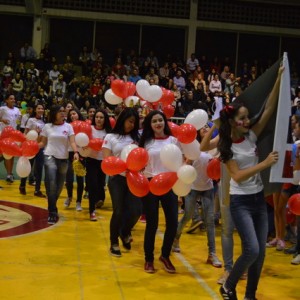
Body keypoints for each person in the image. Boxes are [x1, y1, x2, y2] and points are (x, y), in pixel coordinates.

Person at [218, 66, 283, 300]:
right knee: (252, 249)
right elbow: (237, 176)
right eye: (242, 118)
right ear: (233, 122)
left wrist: (278, 79)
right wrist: (264, 164)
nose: (247, 120)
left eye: (247, 117)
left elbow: (269, 109)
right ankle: (228, 285)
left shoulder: (251, 136)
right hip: (241, 202)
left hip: (258, 198)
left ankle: (250, 296)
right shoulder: (226, 147)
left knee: (261, 253)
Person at [172, 123, 222, 268]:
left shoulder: (215, 148)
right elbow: (186, 167)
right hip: (193, 187)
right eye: (203, 127)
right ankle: (176, 239)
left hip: (208, 188)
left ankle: (212, 254)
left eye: (208, 126)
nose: (205, 128)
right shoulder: (194, 147)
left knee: (210, 220)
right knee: (187, 216)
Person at [139, 110, 179, 273]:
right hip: (150, 184)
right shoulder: (146, 142)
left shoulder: (174, 140)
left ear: (165, 122)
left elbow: (180, 162)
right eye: (154, 121)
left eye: (160, 120)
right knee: (152, 224)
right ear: (150, 124)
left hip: (169, 184)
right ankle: (149, 259)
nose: (158, 123)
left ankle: (165, 255)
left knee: (173, 223)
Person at [102, 107, 141, 257]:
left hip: (134, 178)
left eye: (134, 122)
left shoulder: (137, 138)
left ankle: (124, 231)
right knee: (118, 210)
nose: (132, 125)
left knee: (136, 210)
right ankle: (114, 242)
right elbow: (107, 159)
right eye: (130, 121)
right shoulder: (110, 137)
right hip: (117, 178)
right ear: (123, 120)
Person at [39, 105, 79, 224]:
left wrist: (76, 152)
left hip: (63, 158)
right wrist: (31, 146)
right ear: (54, 113)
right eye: (60, 111)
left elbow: (72, 141)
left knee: (59, 186)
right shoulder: (47, 126)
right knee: (51, 182)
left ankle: (52, 203)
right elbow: (42, 143)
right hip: (49, 155)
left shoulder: (69, 126)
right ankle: (52, 212)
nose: (63, 113)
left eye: (64, 111)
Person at [86, 109, 112, 220]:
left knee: (101, 183)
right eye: (97, 117)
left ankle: (99, 199)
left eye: (101, 117)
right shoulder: (89, 129)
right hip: (91, 160)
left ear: (105, 119)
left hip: (104, 161)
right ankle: (91, 210)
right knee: (92, 185)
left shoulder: (109, 132)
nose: (98, 119)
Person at [19, 104, 46, 197]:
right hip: (30, 147)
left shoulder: (44, 121)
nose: (40, 110)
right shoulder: (31, 120)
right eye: (39, 108)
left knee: (39, 168)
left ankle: (37, 190)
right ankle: (22, 185)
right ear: (35, 110)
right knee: (28, 166)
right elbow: (25, 133)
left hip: (40, 147)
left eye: (42, 108)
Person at [64, 108, 85, 212]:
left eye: (74, 114)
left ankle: (78, 202)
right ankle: (69, 196)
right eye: (70, 114)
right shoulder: (67, 126)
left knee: (80, 178)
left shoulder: (84, 126)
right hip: (69, 153)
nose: (72, 116)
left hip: (80, 153)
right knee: (69, 178)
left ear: (78, 114)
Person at [0, 93, 22, 183]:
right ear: (6, 100)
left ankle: (9, 174)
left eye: (14, 99)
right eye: (11, 98)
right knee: (2, 154)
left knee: (10, 155)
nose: (13, 100)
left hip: (12, 136)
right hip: (2, 134)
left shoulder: (17, 110)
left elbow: (19, 121)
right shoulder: (2, 109)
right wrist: (2, 120)